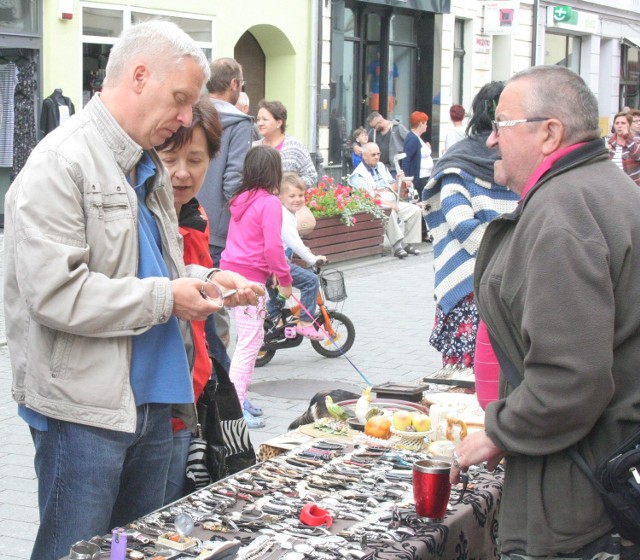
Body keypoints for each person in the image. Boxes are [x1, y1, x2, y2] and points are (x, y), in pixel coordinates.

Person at [3, 21, 263, 560]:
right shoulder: (60, 162)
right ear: (139, 76)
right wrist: (171, 296)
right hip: (86, 416)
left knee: (138, 553)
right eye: (181, 99)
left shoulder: (143, 162)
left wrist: (206, 280)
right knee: (71, 552)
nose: (188, 117)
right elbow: (56, 295)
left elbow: (149, 265)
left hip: (159, 407)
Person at [451, 65, 640, 558]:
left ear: (549, 133)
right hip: (599, 473)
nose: (490, 141)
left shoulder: (564, 210)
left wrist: (498, 432)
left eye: (502, 125)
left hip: (578, 497)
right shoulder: (603, 187)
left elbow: (570, 377)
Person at [156, 97, 229, 503]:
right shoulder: (148, 216)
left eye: (196, 159)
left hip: (192, 385)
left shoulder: (194, 214)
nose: (182, 173)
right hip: (162, 396)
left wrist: (219, 284)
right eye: (171, 158)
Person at [423, 81, 519, 370]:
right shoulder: (521, 157)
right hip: (509, 282)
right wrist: (514, 257)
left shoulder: (458, 160)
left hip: (469, 284)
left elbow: (461, 224)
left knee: (465, 375)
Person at [220, 145, 293, 429]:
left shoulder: (241, 198)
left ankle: (239, 397)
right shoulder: (270, 203)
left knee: (243, 342)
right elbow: (273, 246)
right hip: (250, 281)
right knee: (249, 344)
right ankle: (236, 409)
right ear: (274, 172)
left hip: (229, 273)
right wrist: (284, 279)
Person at [198, 58, 253, 411]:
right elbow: (234, 180)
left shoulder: (192, 113)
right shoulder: (238, 122)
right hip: (217, 228)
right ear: (233, 84)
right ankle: (218, 396)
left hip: (185, 221)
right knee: (213, 308)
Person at [267, 172, 327, 340]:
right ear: (280, 197)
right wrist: (312, 259)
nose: (298, 199)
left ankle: (273, 322)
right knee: (310, 281)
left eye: (301, 195)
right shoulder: (285, 215)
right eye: (292, 195)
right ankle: (305, 323)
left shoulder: (284, 212)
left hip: (267, 263)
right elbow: (293, 242)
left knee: (278, 296)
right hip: (276, 263)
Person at [349, 142, 422, 259]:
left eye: (378, 154)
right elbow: (369, 197)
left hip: (391, 198)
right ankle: (397, 246)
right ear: (364, 156)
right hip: (375, 204)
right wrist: (390, 205)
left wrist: (399, 181)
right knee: (389, 211)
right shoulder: (358, 174)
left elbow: (392, 186)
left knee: (415, 210)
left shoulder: (381, 166)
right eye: (373, 155)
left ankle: (408, 244)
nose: (377, 157)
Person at [254, 99, 318, 187]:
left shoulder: (295, 146)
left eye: (265, 119)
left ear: (279, 122)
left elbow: (311, 176)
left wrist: (287, 187)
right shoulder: (254, 147)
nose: (260, 123)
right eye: (258, 119)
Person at [402, 111, 433, 199]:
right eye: (425, 124)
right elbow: (406, 159)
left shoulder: (416, 138)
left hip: (424, 176)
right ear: (420, 124)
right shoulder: (413, 139)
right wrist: (407, 178)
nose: (426, 126)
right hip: (420, 178)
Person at [366, 111, 408, 177]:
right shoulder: (373, 132)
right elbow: (364, 141)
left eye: (375, 126)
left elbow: (411, 139)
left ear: (380, 120)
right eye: (373, 127)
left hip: (394, 168)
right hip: (379, 168)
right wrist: (355, 145)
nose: (375, 129)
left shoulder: (397, 127)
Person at [607, 111, 640, 186]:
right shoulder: (610, 144)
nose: (619, 126)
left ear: (629, 125)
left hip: (632, 187)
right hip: (614, 187)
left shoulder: (636, 141)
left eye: (623, 123)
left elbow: (637, 155)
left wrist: (627, 136)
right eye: (617, 123)